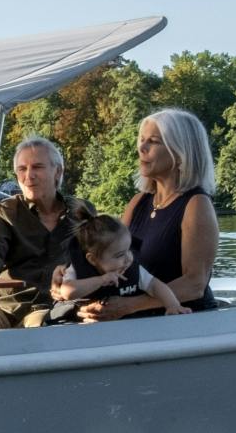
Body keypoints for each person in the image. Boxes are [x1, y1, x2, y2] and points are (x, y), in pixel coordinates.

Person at [81, 107, 219, 319]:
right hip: (141, 318)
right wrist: (72, 277)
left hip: (186, 321)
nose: (141, 148)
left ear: (181, 153)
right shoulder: (138, 202)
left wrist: (129, 305)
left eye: (153, 141)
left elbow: (194, 284)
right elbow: (113, 258)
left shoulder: (196, 204)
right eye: (142, 140)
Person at [0, 136, 89, 327]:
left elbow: (101, 254)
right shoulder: (5, 212)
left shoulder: (81, 212)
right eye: (22, 169)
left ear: (57, 171)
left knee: (46, 324)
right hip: (7, 306)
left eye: (37, 167)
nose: (29, 175)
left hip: (56, 306)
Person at [43, 206, 188, 323]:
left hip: (121, 326)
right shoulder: (79, 269)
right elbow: (68, 292)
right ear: (93, 259)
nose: (127, 259)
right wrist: (101, 280)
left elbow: (155, 286)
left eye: (128, 250)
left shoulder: (131, 269)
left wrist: (173, 305)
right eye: (119, 255)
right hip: (81, 324)